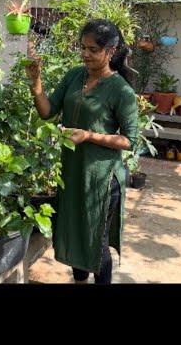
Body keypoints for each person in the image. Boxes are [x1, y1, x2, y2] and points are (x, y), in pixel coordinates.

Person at [25, 19, 138, 284]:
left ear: (110, 51)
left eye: (93, 50)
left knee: (95, 241)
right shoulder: (75, 76)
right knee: (75, 231)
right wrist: (36, 82)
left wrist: (88, 135)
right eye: (82, 48)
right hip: (72, 172)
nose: (85, 54)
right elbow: (47, 112)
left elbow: (130, 140)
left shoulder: (121, 90)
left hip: (101, 177)